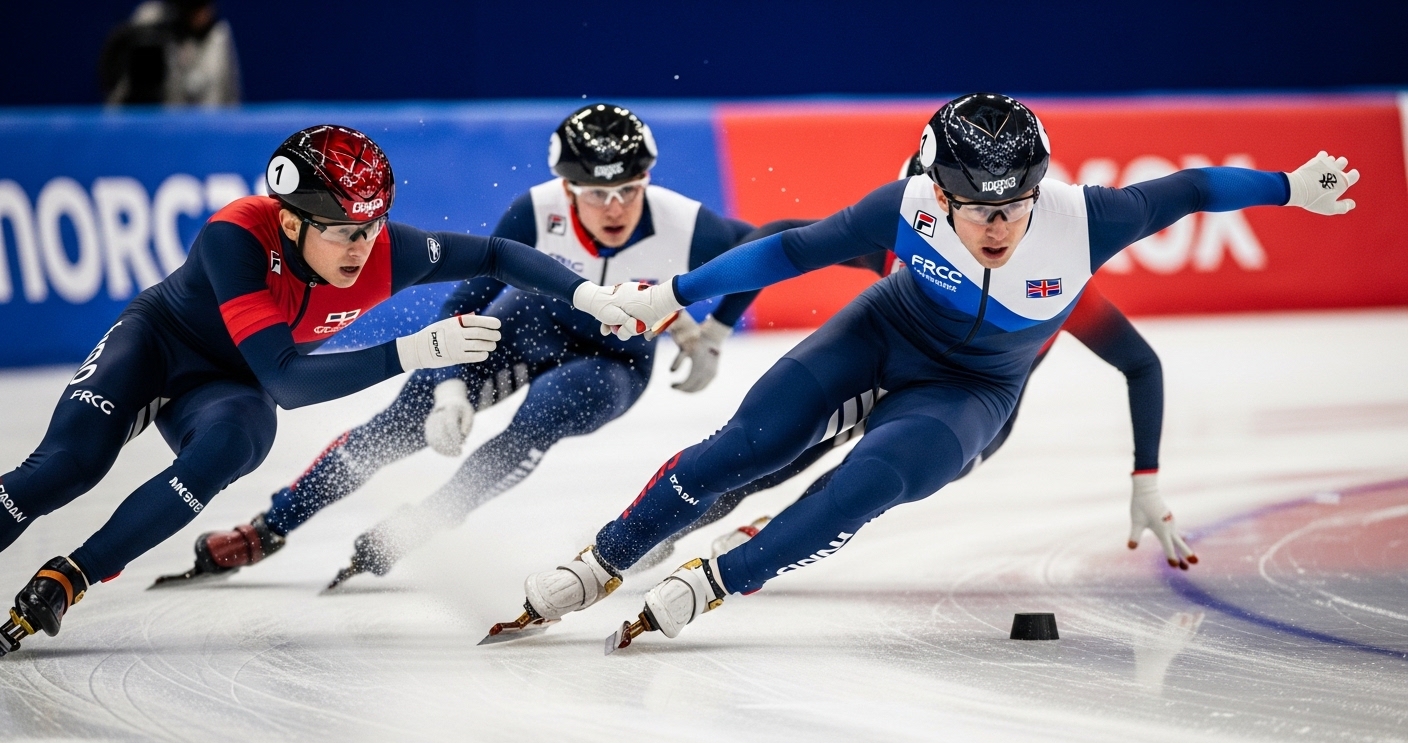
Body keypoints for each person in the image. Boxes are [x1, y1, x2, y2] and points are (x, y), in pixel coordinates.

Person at [487, 93, 1358, 648]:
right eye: (977, 208)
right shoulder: (905, 206)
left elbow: (1196, 189)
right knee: (749, 444)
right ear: (936, 193)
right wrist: (674, 292)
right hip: (883, 333)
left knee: (872, 479)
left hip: (972, 392)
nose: (999, 226)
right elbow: (792, 250)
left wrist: (1288, 186)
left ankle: (718, 579)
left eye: (1015, 206)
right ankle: (600, 562)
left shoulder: (1087, 220)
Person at [0, 124, 638, 657]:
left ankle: (68, 578)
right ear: (291, 218)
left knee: (235, 444)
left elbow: (498, 253)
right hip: (157, 349)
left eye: (371, 227)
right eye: (341, 229)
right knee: (65, 469)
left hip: (229, 386)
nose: (361, 247)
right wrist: (410, 352)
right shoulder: (239, 235)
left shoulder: (389, 251)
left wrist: (589, 295)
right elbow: (287, 380)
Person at [156, 104, 763, 592]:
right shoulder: (535, 211)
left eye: (628, 191)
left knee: (544, 414)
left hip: (613, 361)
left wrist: (714, 333)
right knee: (403, 422)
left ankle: (424, 523)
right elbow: (467, 298)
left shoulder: (685, 221)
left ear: (647, 182)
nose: (613, 208)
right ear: (564, 187)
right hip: (530, 321)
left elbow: (760, 250)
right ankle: (271, 526)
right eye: (592, 192)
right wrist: (448, 387)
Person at [635, 154, 1168, 572]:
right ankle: (659, 537)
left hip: (968, 405)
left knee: (862, 477)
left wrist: (1147, 475)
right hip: (895, 366)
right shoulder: (902, 237)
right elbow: (780, 237)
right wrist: (716, 330)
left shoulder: (1055, 287)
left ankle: (767, 532)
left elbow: (1139, 363)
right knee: (772, 456)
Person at [99, 0, 241, 106]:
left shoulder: (218, 36)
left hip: (208, 131)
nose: (203, 15)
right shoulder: (149, 22)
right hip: (160, 127)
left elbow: (229, 97)